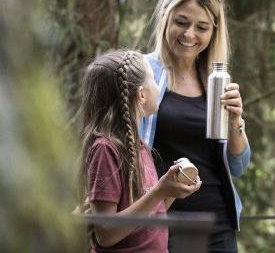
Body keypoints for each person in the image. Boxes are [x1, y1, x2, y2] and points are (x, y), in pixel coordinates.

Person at [140, 0, 251, 253]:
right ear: (166, 17)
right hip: (160, 219)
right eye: (181, 22)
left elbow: (238, 166)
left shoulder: (216, 80)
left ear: (213, 32)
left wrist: (236, 121)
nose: (189, 34)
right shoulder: (142, 71)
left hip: (217, 221)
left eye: (201, 27)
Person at [77, 49, 202, 252]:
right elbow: (106, 234)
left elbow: (145, 217)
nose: (161, 85)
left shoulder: (139, 146)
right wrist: (159, 191)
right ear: (141, 95)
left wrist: (170, 191)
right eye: (153, 78)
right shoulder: (105, 149)